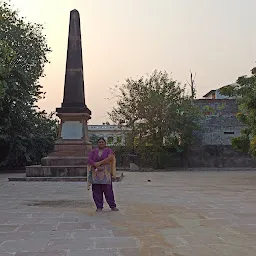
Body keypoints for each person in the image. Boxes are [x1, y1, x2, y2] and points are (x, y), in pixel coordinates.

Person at [87, 138, 119, 212]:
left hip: (106, 173)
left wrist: (99, 163)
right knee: (96, 190)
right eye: (99, 142)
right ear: (97, 143)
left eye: (102, 142)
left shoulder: (108, 151)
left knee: (108, 190)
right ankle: (99, 206)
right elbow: (89, 159)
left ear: (105, 143)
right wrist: (95, 164)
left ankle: (112, 206)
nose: (101, 143)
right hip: (95, 172)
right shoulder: (93, 151)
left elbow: (110, 158)